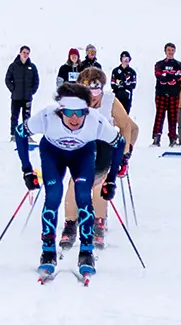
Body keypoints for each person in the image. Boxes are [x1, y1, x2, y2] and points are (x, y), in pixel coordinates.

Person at [13, 83, 125, 281]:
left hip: (82, 154)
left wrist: (110, 180)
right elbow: (21, 132)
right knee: (54, 196)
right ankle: (48, 250)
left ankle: (86, 252)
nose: (75, 118)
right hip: (52, 153)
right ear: (60, 111)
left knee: (83, 196)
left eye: (80, 112)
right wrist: (27, 170)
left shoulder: (95, 121)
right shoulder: (48, 116)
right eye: (69, 112)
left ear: (86, 110)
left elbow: (119, 142)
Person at [59, 69, 137, 250]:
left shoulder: (110, 102)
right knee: (75, 184)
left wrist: (125, 155)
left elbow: (127, 127)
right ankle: (71, 224)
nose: (92, 97)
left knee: (100, 183)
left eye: (96, 91)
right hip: (82, 148)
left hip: (104, 148)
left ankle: (98, 223)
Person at [152, 43, 181, 146]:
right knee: (159, 116)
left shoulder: (179, 64)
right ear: (165, 51)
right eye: (168, 50)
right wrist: (171, 76)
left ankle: (173, 139)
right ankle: (156, 138)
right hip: (161, 93)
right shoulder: (159, 64)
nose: (170, 52)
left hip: (174, 94)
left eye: (172, 50)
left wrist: (167, 76)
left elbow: (180, 76)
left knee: (173, 117)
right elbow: (159, 76)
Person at [7, 46, 38, 130]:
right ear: (20, 53)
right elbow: (7, 79)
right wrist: (13, 89)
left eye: (27, 53)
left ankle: (26, 135)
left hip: (27, 98)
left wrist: (32, 91)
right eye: (24, 52)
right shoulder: (13, 66)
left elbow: (36, 80)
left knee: (27, 118)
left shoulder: (32, 67)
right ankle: (14, 134)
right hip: (16, 97)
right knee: (14, 117)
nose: (25, 55)